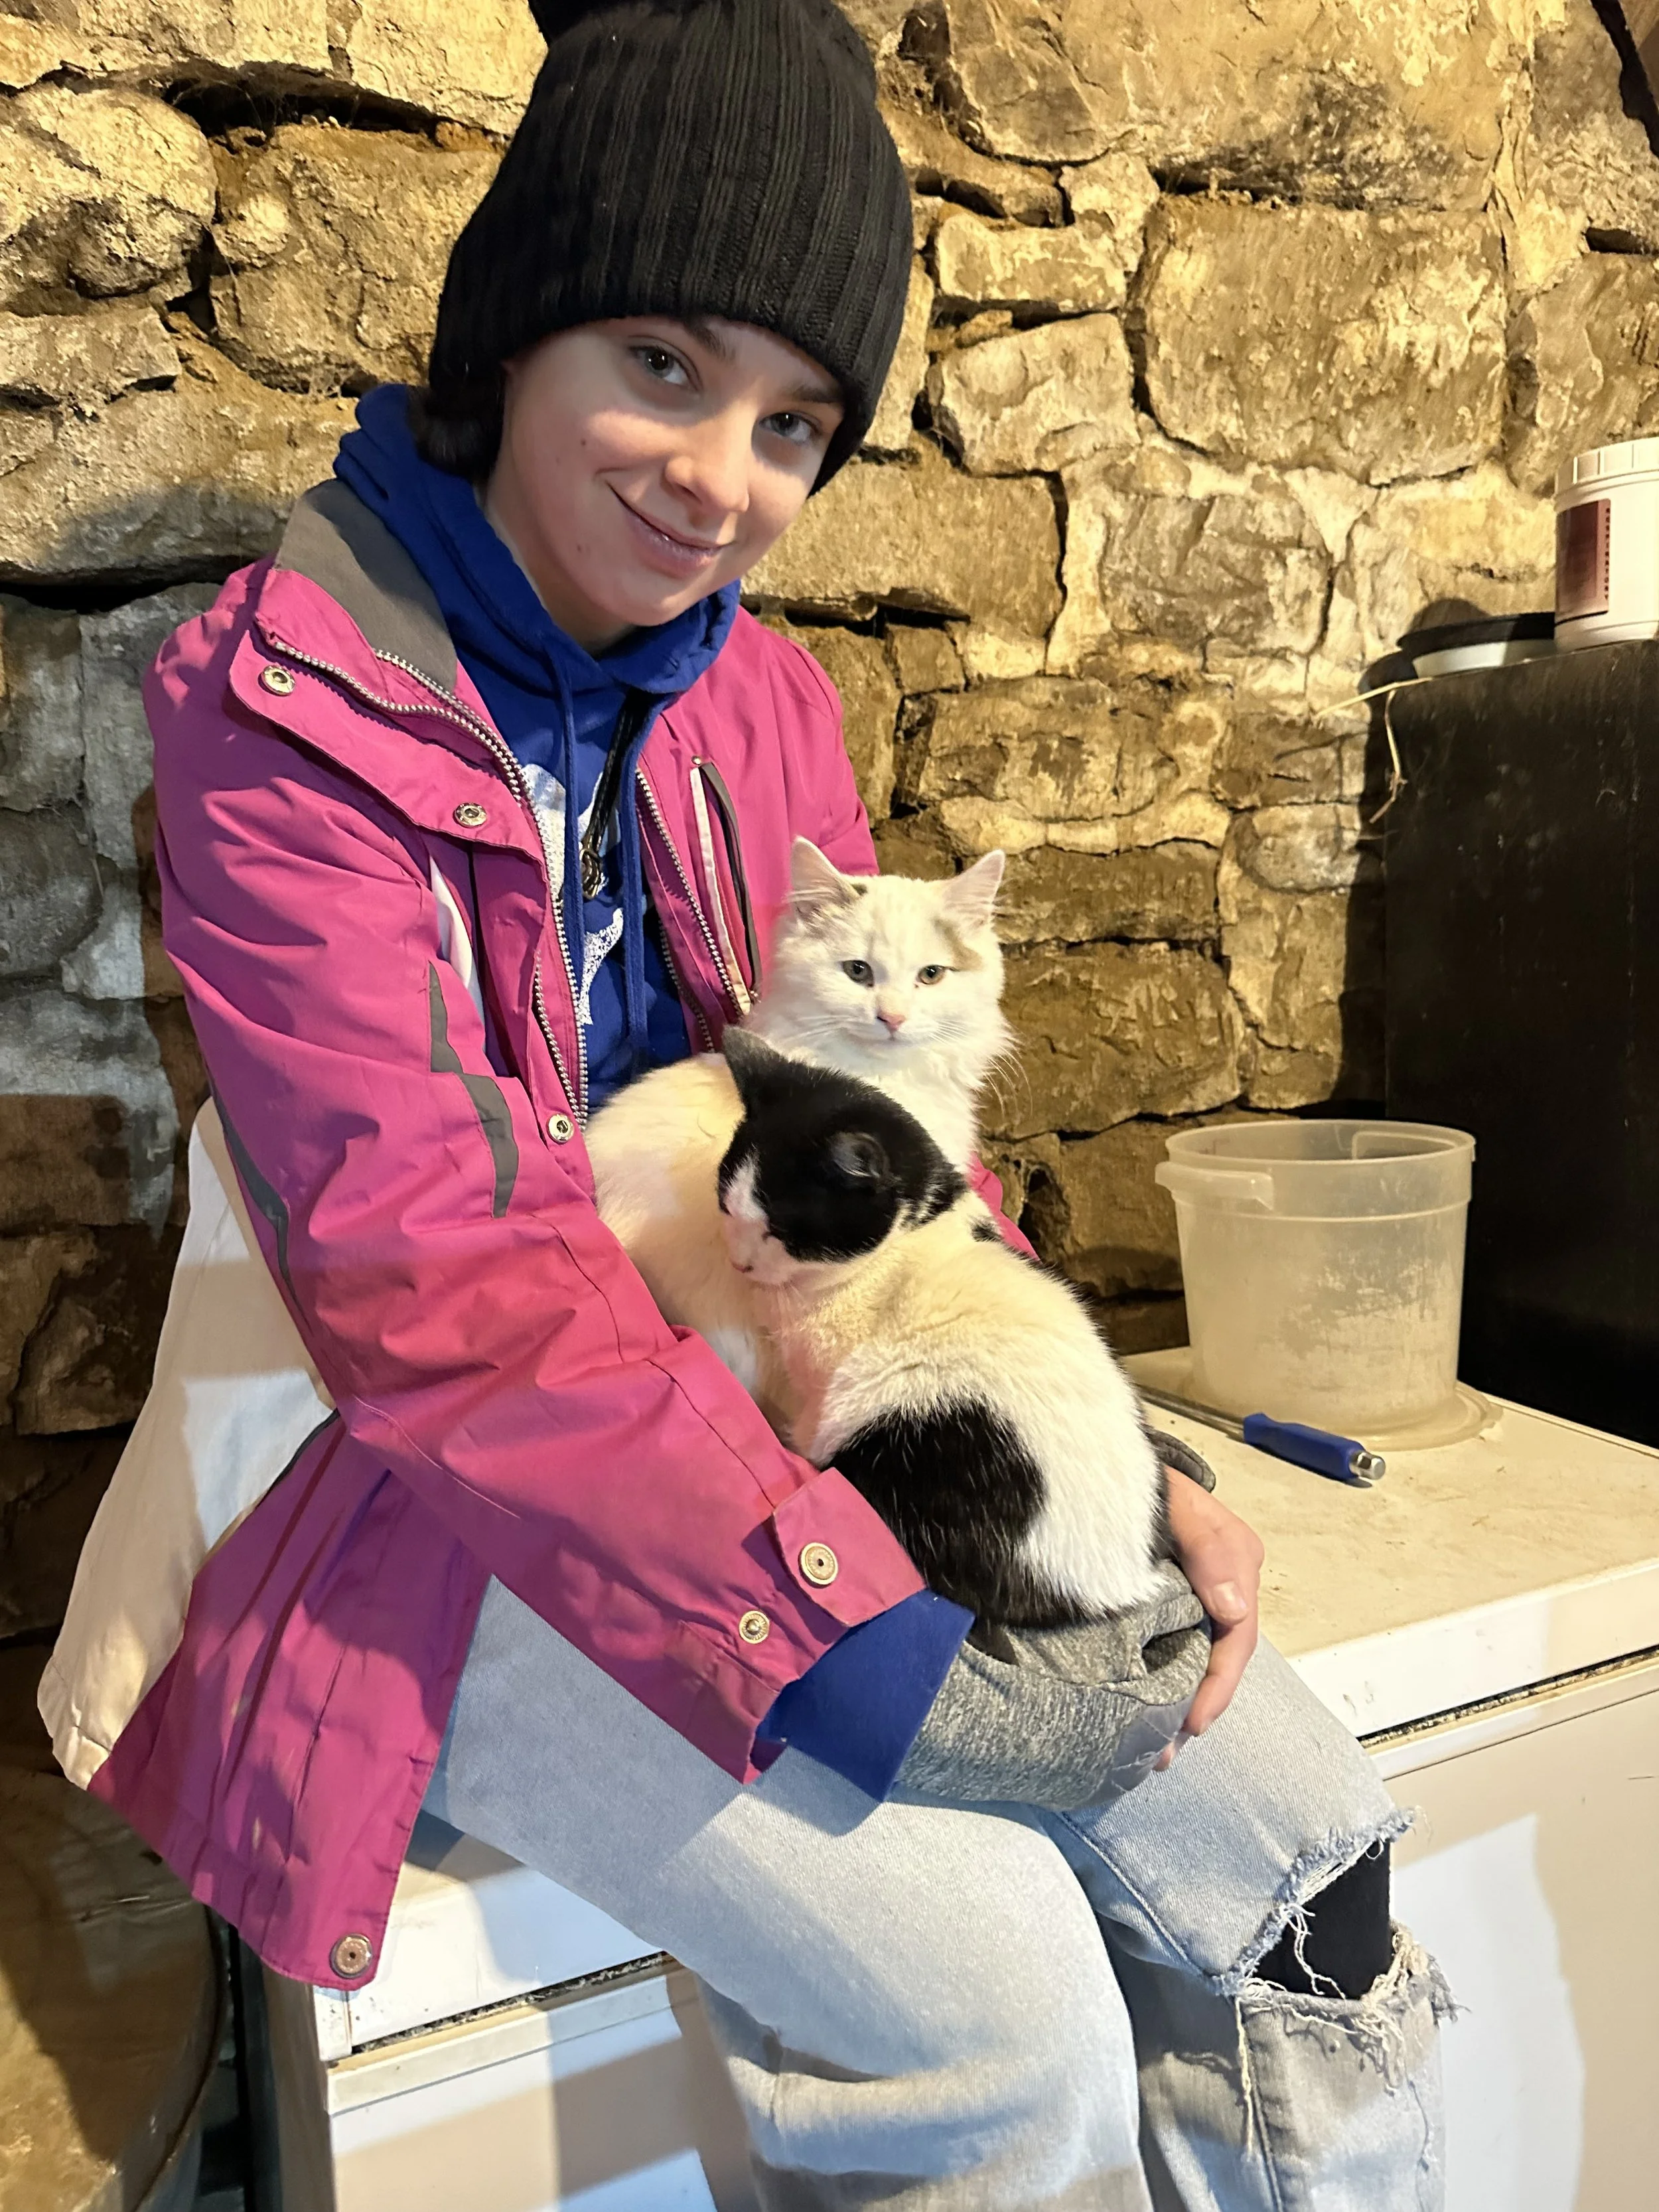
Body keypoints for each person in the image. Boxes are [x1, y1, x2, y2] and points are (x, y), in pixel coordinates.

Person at [40, 0, 1449, 2203]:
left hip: (799, 1410)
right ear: (513, 337)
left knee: (1313, 1868)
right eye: (665, 369)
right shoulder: (283, 708)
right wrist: (842, 1635)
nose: (724, 481)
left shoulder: (765, 695)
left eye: (796, 420)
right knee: (1006, 2025)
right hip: (440, 1504)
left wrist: (1105, 1447)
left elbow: (893, 1158)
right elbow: (437, 1292)